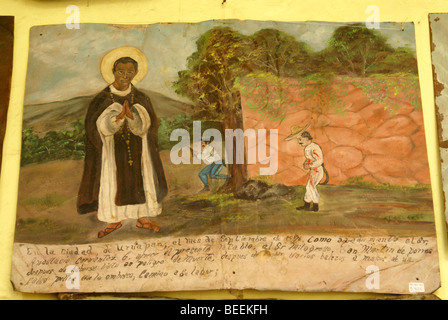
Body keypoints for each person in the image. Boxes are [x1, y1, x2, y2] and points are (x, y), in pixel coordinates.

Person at [77, 46, 168, 238]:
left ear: (135, 73)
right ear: (113, 72)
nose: (125, 76)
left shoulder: (141, 97)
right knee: (112, 182)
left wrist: (134, 118)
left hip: (139, 151)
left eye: (129, 72)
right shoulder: (101, 99)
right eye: (120, 72)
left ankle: (143, 219)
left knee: (142, 180)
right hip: (111, 151)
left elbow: (150, 125)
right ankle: (114, 220)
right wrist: (115, 119)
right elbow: (93, 128)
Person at [285, 124, 327, 212]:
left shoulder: (314, 147)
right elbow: (310, 159)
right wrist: (306, 163)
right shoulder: (308, 148)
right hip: (313, 171)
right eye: (298, 140)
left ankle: (315, 206)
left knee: (310, 187)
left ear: (307, 138)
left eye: (300, 139)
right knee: (309, 186)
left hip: (318, 170)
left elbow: (320, 160)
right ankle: (307, 204)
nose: (299, 142)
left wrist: (310, 165)